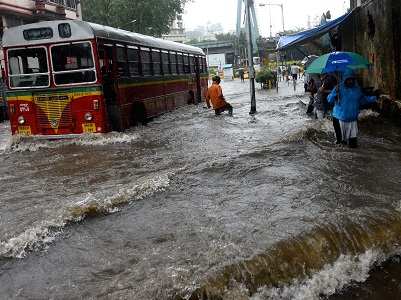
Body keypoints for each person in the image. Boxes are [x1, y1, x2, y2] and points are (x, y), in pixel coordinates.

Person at [327, 70, 378, 148]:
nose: (350, 81)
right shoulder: (338, 88)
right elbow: (329, 100)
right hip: (339, 119)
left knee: (353, 146)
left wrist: (375, 98)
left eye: (352, 79)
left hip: (352, 120)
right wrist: (334, 93)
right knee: (340, 145)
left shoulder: (357, 89)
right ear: (345, 79)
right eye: (348, 79)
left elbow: (363, 100)